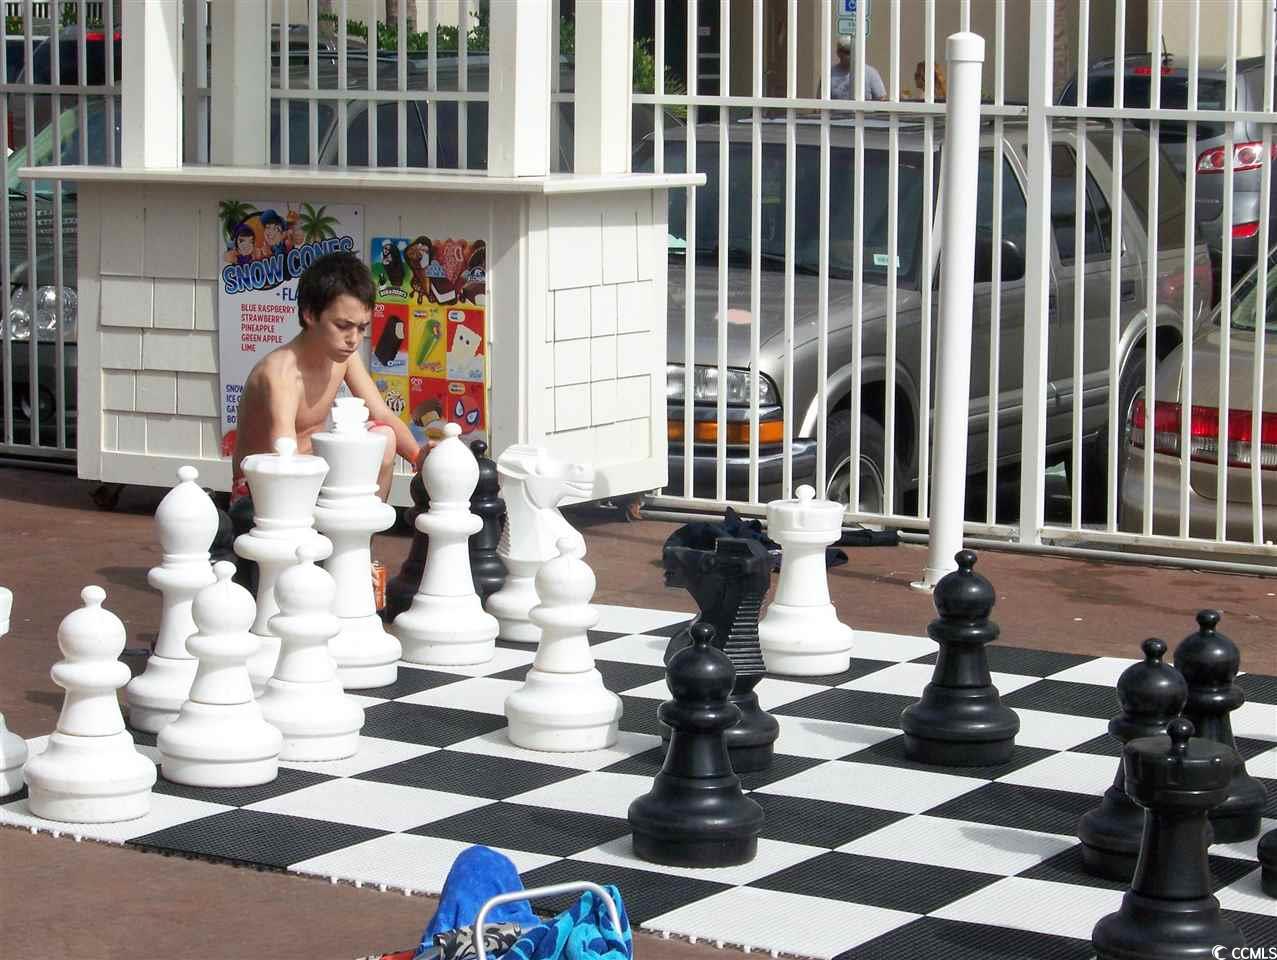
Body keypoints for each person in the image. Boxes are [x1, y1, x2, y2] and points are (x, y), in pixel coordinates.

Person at [231, 251, 424, 508]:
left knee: (384, 437)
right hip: (264, 490)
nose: (354, 339)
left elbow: (381, 414)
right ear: (310, 314)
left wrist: (420, 458)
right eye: (343, 326)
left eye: (362, 328)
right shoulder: (280, 374)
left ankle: (364, 527)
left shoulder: (343, 356)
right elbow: (283, 456)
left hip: (316, 473)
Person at [830, 35, 886, 101]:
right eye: (848, 51)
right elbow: (822, 100)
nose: (852, 54)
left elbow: (881, 98)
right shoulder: (830, 74)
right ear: (838, 53)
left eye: (854, 51)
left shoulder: (870, 73)